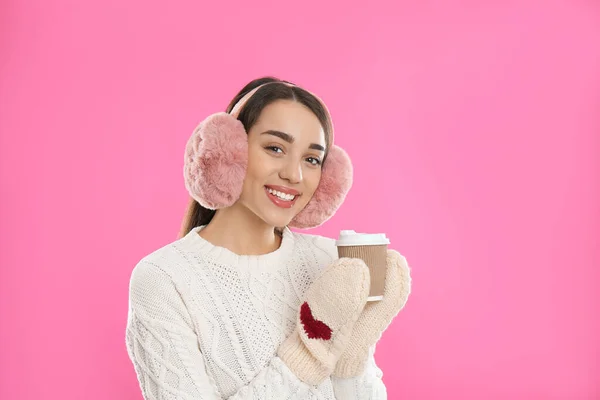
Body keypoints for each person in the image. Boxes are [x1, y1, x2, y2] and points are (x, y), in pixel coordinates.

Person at [125, 76, 412, 399]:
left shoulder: (330, 262)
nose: (295, 175)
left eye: (312, 159)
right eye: (275, 148)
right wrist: (307, 355)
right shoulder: (165, 279)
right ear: (228, 153)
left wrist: (353, 355)